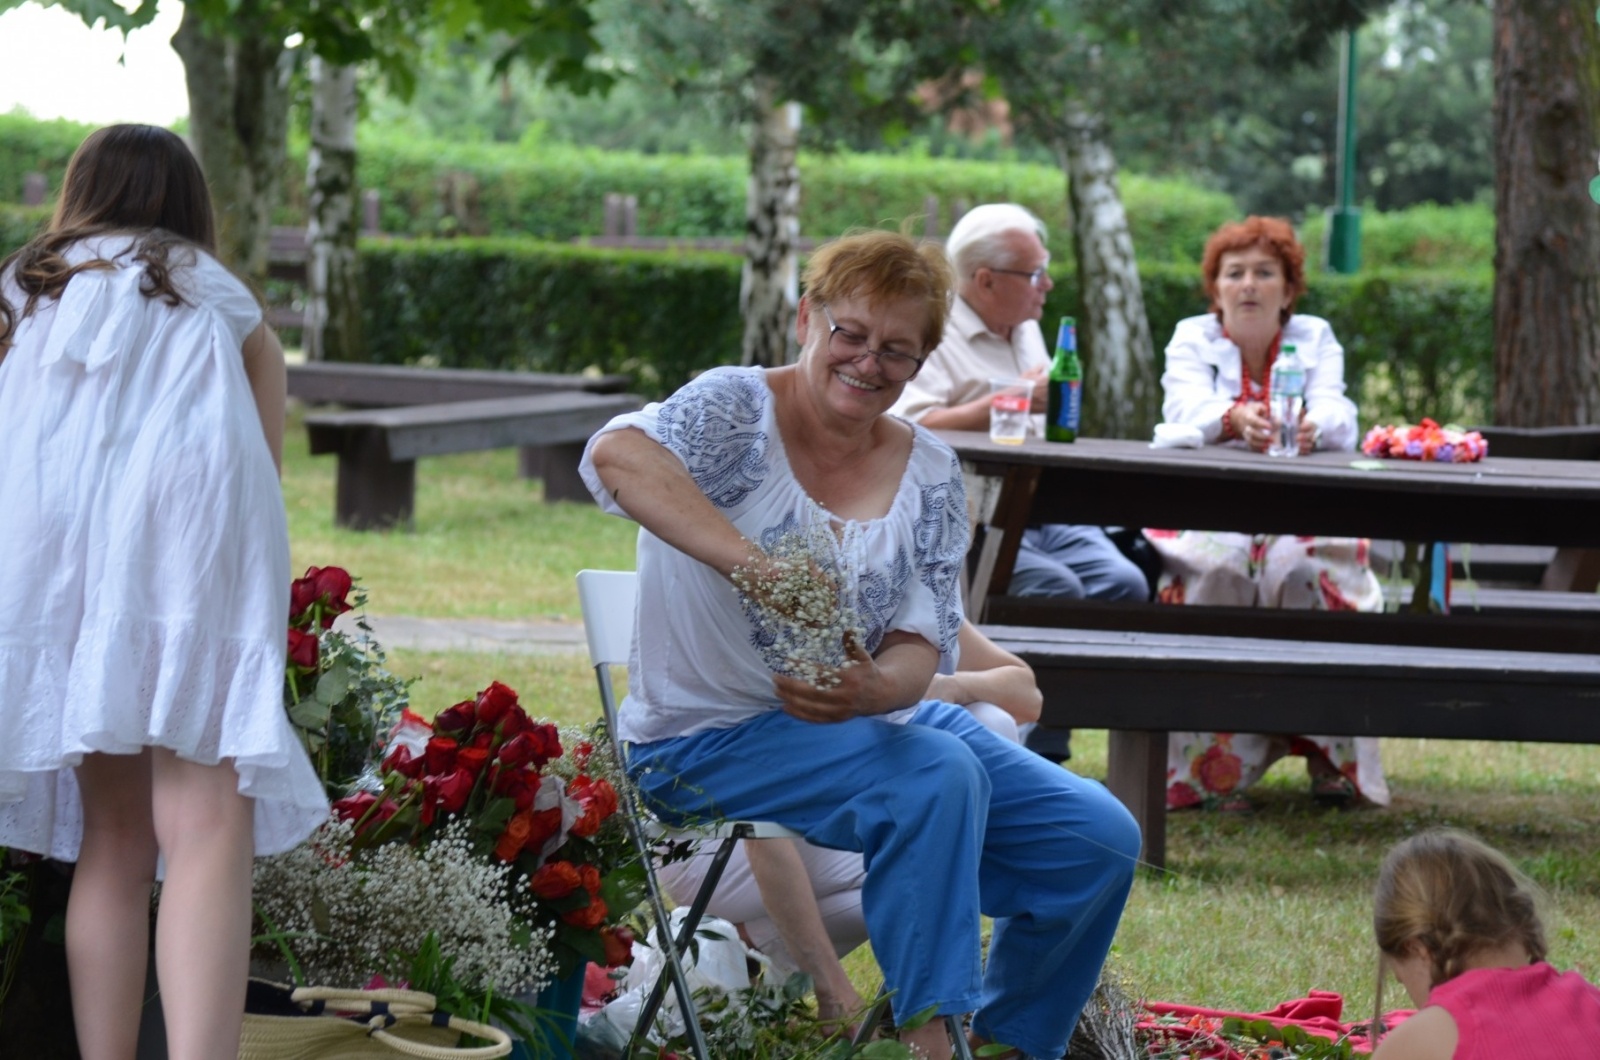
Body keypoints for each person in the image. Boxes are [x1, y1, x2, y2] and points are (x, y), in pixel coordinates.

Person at [582, 229, 1140, 1060]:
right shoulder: (736, 410)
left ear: (922, 362)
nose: (868, 362)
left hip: (868, 727)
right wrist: (757, 568)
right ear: (808, 318)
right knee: (935, 774)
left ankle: (1009, 1044)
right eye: (850, 333)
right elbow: (614, 456)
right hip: (700, 741)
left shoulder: (931, 473)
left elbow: (923, 644)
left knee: (1097, 837)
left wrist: (874, 691)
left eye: (897, 350)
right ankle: (930, 1040)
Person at [0, 125, 329, 1060]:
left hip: (53, 565)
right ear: (190, 207)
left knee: (112, 833)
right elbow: (260, 475)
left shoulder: (22, 289)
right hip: (190, 553)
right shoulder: (221, 296)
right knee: (204, 821)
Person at [653, 620, 1044, 1022]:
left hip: (821, 823)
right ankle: (756, 953)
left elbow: (1027, 693)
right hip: (718, 839)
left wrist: (951, 685)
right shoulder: (801, 604)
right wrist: (832, 989)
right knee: (933, 856)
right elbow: (757, 804)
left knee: (986, 726)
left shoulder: (912, 582)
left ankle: (753, 948)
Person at [891, 203, 1147, 766]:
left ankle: (1079, 728)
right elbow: (908, 423)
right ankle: (1044, 750)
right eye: (1034, 274)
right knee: (1056, 590)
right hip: (977, 514)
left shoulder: (1028, 329)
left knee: (1124, 583)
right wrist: (1005, 403)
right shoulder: (935, 330)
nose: (1047, 284)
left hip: (1043, 507)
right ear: (985, 280)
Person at [1150, 215, 1388, 813]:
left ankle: (1329, 762)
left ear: (1289, 288)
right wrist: (1230, 419)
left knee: (1302, 573)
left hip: (1301, 506)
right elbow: (1180, 408)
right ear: (1217, 290)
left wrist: (1315, 424)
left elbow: (1340, 413)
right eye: (1235, 274)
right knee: (1219, 574)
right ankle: (1209, 777)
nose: (1249, 285)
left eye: (1264, 273)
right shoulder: (1191, 337)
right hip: (1208, 507)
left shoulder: (1315, 336)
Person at [1370, 829, 1600, 1060]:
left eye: (1401, 978)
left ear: (1416, 949)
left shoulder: (1421, 1041)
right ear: (1520, 919)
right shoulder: (1592, 1001)